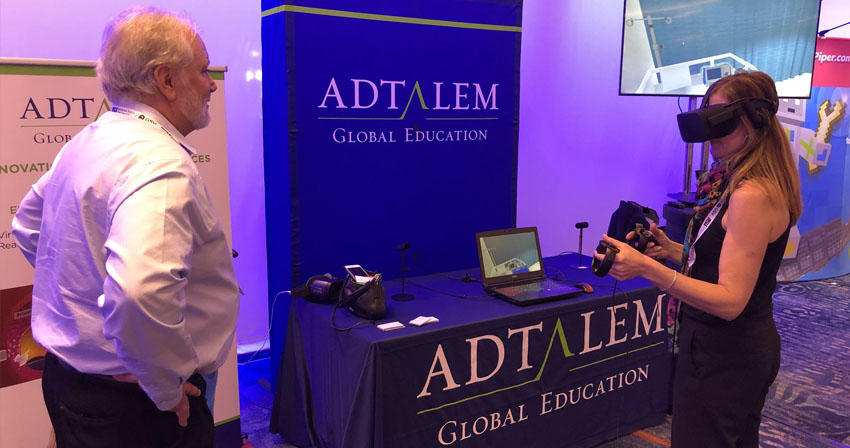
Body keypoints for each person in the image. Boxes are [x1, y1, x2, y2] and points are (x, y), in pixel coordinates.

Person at [11, 7, 239, 447]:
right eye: (203, 70)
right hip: (139, 409)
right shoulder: (161, 163)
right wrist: (165, 388)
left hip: (71, 383)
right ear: (166, 80)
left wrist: (91, 311)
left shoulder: (88, 141)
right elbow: (140, 292)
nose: (212, 84)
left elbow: (27, 225)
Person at [595, 71, 802, 447]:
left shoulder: (751, 194)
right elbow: (727, 262)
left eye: (720, 121)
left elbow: (731, 300)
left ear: (755, 120)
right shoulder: (740, 181)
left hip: (725, 356)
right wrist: (671, 251)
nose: (711, 134)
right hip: (727, 350)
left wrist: (647, 268)